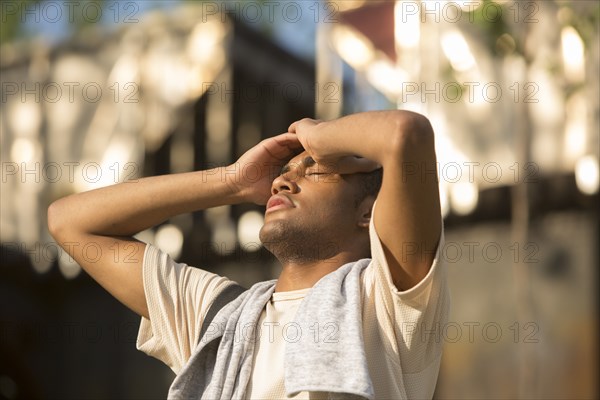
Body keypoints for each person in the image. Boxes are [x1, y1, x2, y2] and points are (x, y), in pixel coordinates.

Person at [48, 110, 449, 399]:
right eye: (283, 173)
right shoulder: (220, 320)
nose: (283, 182)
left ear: (367, 212)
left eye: (315, 171)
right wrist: (232, 182)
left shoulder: (387, 301)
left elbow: (406, 134)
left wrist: (319, 134)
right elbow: (70, 222)